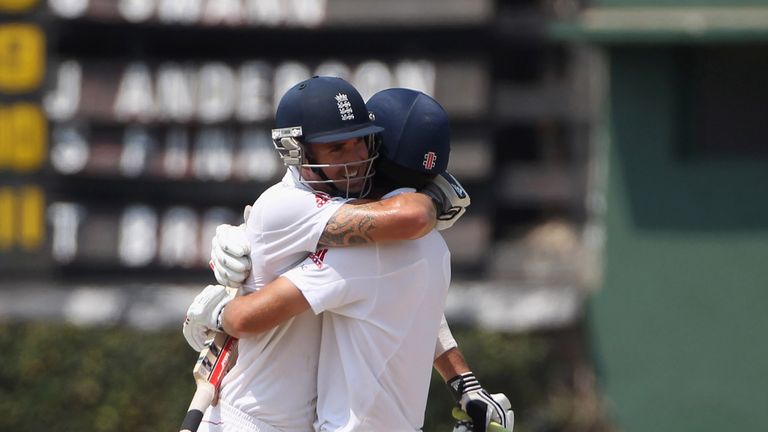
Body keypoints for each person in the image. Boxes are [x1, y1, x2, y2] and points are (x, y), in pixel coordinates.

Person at [183, 77, 510, 431]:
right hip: (250, 421)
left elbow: (393, 291)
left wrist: (463, 381)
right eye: (336, 149)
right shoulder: (287, 206)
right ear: (298, 150)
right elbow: (412, 218)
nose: (354, 160)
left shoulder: (361, 230)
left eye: (361, 143)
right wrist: (433, 192)